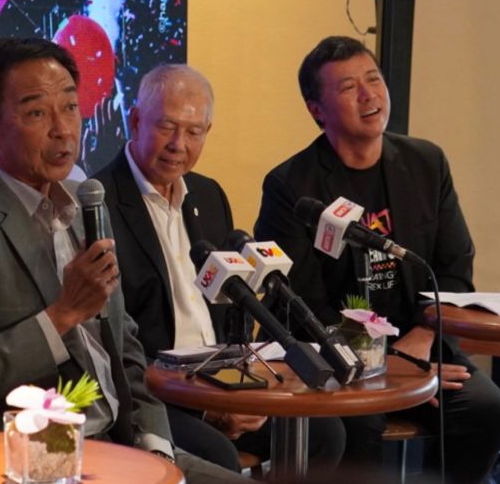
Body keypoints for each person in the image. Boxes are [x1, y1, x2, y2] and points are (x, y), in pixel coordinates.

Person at [0, 38, 245, 484]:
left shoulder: (84, 205)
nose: (63, 130)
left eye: (69, 107)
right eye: (37, 113)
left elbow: (125, 347)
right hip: (30, 461)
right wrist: (62, 315)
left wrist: (157, 446)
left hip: (120, 445)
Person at [254, 35, 500, 483]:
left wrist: (422, 339)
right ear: (317, 110)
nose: (368, 95)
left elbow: (454, 269)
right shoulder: (291, 185)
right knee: (361, 421)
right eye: (348, 87)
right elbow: (297, 302)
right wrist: (381, 363)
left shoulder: (426, 163)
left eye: (373, 79)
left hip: (422, 346)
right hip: (335, 358)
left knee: (488, 413)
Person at [93, 64, 345, 473]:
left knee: (325, 434)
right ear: (135, 120)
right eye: (167, 127)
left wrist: (242, 390)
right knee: (219, 455)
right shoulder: (99, 204)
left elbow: (231, 303)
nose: (179, 145)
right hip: (156, 394)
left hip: (220, 379)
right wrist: (210, 411)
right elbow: (111, 344)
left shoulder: (208, 195)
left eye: (194, 132)